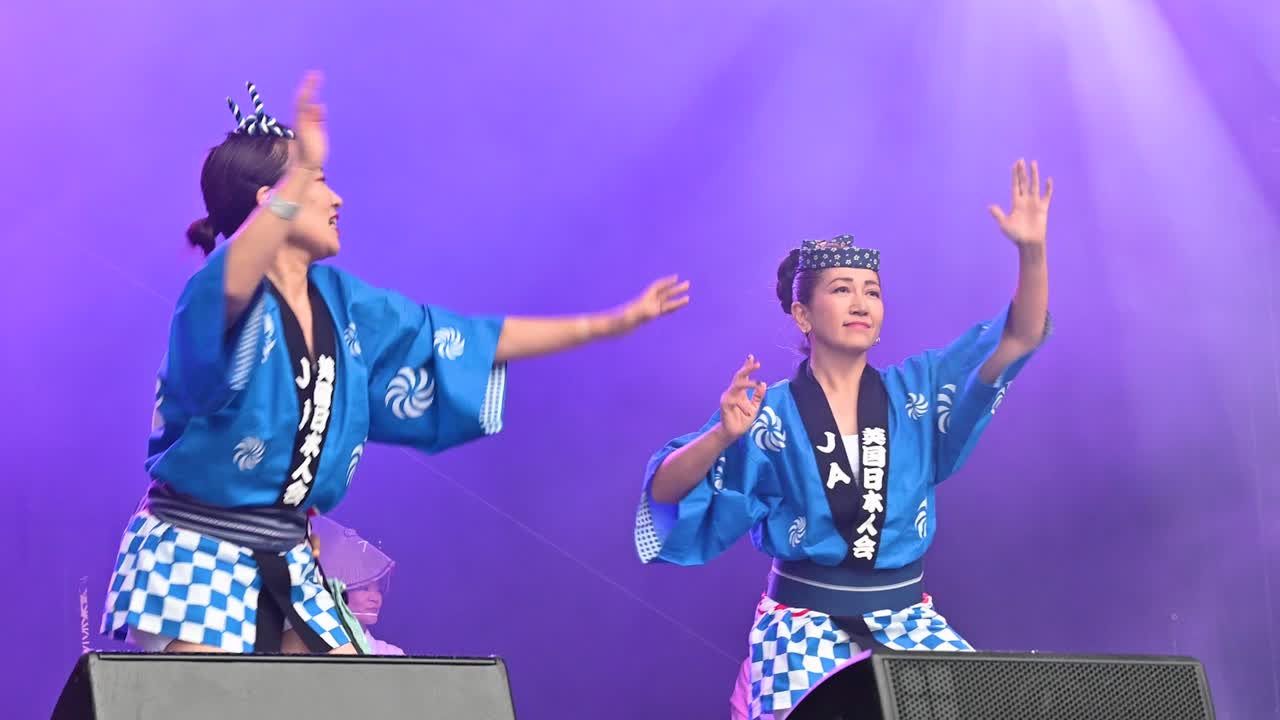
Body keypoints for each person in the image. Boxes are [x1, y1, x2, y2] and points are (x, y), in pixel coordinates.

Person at [102, 72, 690, 656]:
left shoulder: (343, 303)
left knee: (360, 689)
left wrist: (608, 323)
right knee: (216, 696)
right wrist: (303, 168)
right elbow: (232, 283)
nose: (336, 198)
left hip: (287, 555)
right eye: (319, 183)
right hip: (195, 553)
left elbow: (461, 339)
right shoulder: (215, 295)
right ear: (271, 202)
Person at [635, 160, 1052, 719]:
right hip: (801, 627)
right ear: (802, 314)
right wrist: (721, 435)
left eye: (871, 292)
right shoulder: (768, 412)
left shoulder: (918, 390)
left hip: (907, 620)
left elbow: (1019, 335)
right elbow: (665, 493)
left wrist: (1031, 250)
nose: (861, 303)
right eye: (841, 290)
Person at [309, 515, 403, 655]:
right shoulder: (312, 649)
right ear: (338, 592)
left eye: (378, 590)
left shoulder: (391, 654)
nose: (375, 598)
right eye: (364, 588)